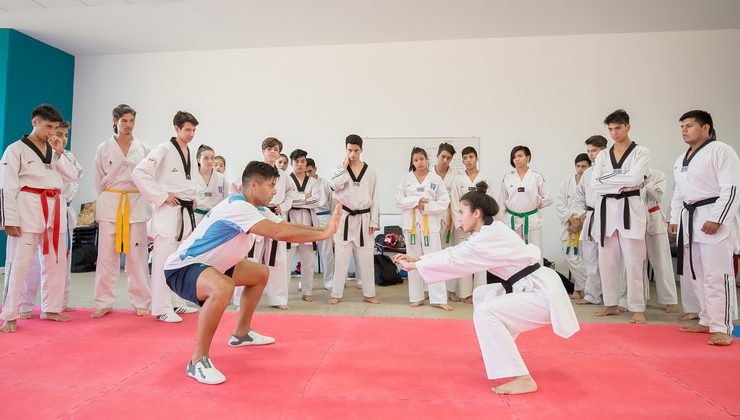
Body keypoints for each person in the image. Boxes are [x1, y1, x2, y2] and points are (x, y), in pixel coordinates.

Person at [164, 161, 342, 384]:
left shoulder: (258, 209)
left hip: (213, 265)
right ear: (254, 186)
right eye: (271, 185)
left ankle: (241, 334)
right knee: (223, 288)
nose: (275, 191)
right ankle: (197, 360)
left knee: (258, 273)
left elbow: (288, 227)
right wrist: (324, 234)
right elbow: (278, 232)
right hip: (182, 267)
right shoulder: (238, 207)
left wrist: (325, 230)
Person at [394, 182, 579, 395]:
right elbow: (457, 251)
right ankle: (497, 347)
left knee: (485, 311)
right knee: (482, 295)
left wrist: (416, 265)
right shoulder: (490, 230)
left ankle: (522, 378)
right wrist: (419, 258)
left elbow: (455, 259)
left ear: (476, 213)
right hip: (529, 287)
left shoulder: (487, 237)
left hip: (540, 294)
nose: (460, 217)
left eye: (462, 212)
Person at [1, 104, 80, 332]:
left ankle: (51, 308)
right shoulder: (15, 150)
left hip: (55, 209)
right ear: (35, 122)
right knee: (19, 263)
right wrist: (10, 219)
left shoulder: (56, 150)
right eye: (48, 127)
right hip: (28, 207)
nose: (51, 132)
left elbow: (72, 175)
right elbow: (6, 186)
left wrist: (58, 152)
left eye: (55, 128)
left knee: (56, 262)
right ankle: (9, 314)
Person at [669, 110, 739, 346]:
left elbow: (732, 188)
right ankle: (707, 318)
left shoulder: (721, 150)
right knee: (696, 273)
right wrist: (674, 219)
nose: (684, 130)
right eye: (682, 127)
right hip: (690, 219)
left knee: (717, 274)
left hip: (712, 216)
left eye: (689, 125)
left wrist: (718, 217)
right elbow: (679, 192)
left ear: (706, 127)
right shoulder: (681, 159)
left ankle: (724, 326)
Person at [132, 111, 200, 323]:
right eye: (187, 129)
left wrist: (193, 198)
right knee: (164, 260)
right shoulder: (163, 148)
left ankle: (177, 302)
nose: (191, 134)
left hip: (186, 212)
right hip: (169, 210)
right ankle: (161, 307)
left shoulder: (189, 151)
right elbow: (139, 173)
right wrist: (161, 196)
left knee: (181, 260)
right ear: (176, 128)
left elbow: (189, 181)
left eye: (193, 130)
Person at [91, 104, 153, 318]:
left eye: (131, 121)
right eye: (124, 120)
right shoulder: (103, 148)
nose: (128, 125)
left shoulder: (144, 148)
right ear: (114, 121)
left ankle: (141, 301)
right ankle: (103, 302)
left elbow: (150, 178)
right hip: (111, 202)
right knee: (107, 255)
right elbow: (98, 181)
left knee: (137, 255)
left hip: (135, 203)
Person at [18, 121, 83, 318]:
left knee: (61, 260)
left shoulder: (68, 156)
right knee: (32, 263)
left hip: (63, 210)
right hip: (39, 207)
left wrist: (61, 153)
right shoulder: (37, 153)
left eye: (66, 135)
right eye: (59, 133)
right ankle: (24, 305)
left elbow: (75, 176)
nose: (62, 138)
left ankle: (59, 302)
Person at [591, 109, 649, 324]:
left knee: (634, 262)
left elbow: (635, 178)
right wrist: (623, 182)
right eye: (611, 129)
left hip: (630, 211)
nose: (614, 133)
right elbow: (595, 184)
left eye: (618, 128)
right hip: (607, 211)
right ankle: (611, 304)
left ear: (628, 127)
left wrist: (611, 181)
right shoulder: (604, 155)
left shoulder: (641, 152)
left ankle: (637, 308)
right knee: (607, 261)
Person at [395, 147, 452, 310]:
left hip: (430, 224)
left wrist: (426, 206)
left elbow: (444, 202)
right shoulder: (406, 179)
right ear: (412, 162)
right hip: (411, 225)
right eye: (416, 160)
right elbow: (398, 200)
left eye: (421, 159)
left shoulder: (436, 179)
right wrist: (417, 201)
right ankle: (416, 296)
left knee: (434, 260)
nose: (419, 162)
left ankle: (439, 299)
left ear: (427, 159)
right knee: (412, 259)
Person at [328, 134, 380, 305]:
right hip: (345, 218)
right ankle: (336, 294)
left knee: (366, 258)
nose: (353, 154)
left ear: (361, 150)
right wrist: (344, 167)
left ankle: (369, 293)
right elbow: (334, 186)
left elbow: (375, 197)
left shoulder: (371, 172)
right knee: (341, 258)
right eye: (350, 150)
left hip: (364, 218)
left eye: (356, 150)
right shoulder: (338, 170)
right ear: (346, 149)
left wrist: (374, 221)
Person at [450, 146, 492, 303]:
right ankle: (466, 293)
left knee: (480, 259)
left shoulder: (485, 178)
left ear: (476, 158)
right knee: (464, 258)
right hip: (463, 225)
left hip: (481, 225)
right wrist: (460, 223)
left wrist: (486, 223)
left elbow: (490, 202)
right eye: (465, 158)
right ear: (462, 161)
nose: (468, 160)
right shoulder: (458, 179)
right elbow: (454, 203)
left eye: (471, 157)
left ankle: (479, 294)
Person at [573, 136, 608, 306]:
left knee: (612, 260)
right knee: (590, 258)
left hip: (609, 218)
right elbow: (579, 196)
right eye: (589, 151)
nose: (591, 154)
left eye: (594, 150)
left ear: (604, 149)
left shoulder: (613, 169)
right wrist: (582, 212)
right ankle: (592, 295)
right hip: (591, 217)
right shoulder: (587, 173)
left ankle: (617, 299)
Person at [499, 145, 552, 252]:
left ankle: (536, 269)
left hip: (531, 218)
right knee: (513, 251)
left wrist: (533, 205)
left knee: (535, 250)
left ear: (528, 157)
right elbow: (502, 202)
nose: (517, 159)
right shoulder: (507, 177)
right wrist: (502, 222)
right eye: (514, 157)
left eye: (520, 156)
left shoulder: (536, 176)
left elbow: (547, 198)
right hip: (512, 219)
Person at [286, 149, 320, 301]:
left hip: (308, 222)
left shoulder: (313, 181)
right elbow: (287, 201)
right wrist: (305, 197)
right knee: (286, 261)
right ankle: (283, 294)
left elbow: (316, 202)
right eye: (296, 161)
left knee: (309, 260)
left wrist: (297, 199)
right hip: (290, 221)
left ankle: (307, 291)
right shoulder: (287, 180)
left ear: (306, 163)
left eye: (302, 161)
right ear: (291, 163)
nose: (300, 164)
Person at [554, 153, 590, 299]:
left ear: (590, 167)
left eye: (584, 166)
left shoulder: (592, 182)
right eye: (578, 166)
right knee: (570, 257)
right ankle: (587, 286)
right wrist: (571, 219)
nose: (581, 169)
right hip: (569, 224)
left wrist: (581, 222)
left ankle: (580, 289)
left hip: (586, 224)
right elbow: (559, 203)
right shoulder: (567, 182)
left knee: (586, 258)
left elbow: (593, 205)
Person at [643, 168, 679, 313]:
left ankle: (670, 300)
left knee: (661, 261)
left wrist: (644, 181)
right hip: (634, 220)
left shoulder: (658, 174)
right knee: (635, 263)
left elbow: (658, 195)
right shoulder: (627, 175)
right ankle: (641, 298)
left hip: (654, 218)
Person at [434, 142, 461, 302]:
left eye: (448, 158)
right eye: (443, 156)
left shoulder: (456, 175)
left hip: (450, 217)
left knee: (450, 254)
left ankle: (451, 289)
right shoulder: (427, 174)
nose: (445, 160)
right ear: (437, 156)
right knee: (432, 254)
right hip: (432, 217)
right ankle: (431, 289)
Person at [307, 158, 335, 290]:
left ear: (315, 169)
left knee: (326, 251)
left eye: (310, 171)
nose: (308, 174)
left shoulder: (325, 183)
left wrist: (333, 222)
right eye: (306, 172)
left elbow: (333, 203)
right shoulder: (303, 183)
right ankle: (305, 282)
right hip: (307, 218)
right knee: (306, 252)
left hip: (324, 217)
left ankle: (329, 281)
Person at [194, 145, 229, 224]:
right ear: (198, 160)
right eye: (206, 158)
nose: (209, 161)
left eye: (212, 158)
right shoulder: (192, 177)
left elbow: (225, 199)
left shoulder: (221, 178)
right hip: (195, 216)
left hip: (215, 217)